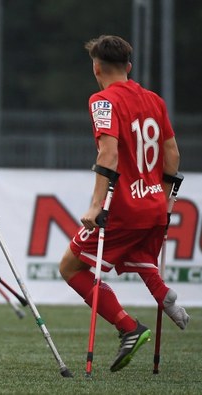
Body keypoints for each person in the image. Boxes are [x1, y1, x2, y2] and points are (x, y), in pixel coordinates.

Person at [58, 35, 189, 373]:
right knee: (138, 254)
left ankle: (128, 327)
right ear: (129, 67)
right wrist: (165, 197)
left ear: (96, 67)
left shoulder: (102, 100)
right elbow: (172, 153)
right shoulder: (155, 100)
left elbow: (109, 153)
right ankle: (163, 295)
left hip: (125, 206)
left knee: (70, 267)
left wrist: (96, 205)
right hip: (156, 204)